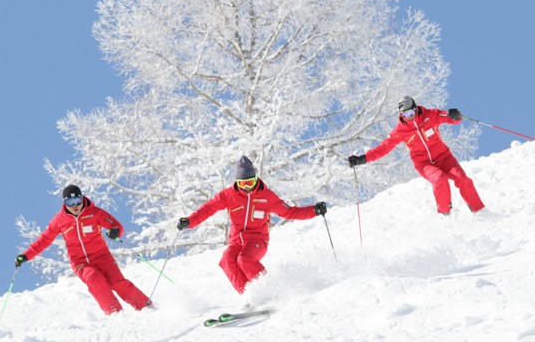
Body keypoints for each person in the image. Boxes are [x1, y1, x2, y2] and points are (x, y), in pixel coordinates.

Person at [176, 155, 328, 294]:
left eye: (251, 182)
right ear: (237, 182)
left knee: (245, 260)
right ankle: (250, 296)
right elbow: (208, 208)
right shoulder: (228, 195)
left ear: (256, 178)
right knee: (226, 260)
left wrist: (314, 210)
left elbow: (290, 212)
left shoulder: (267, 196)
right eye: (243, 183)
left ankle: (270, 291)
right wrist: (190, 221)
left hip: (257, 240)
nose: (247, 186)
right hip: (236, 241)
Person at [15, 185, 150, 315]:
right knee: (94, 279)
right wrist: (26, 255)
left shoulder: (95, 213)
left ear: (82, 199)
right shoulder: (59, 221)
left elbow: (116, 225)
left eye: (77, 200)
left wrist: (115, 232)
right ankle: (115, 313)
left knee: (118, 282)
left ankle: (146, 306)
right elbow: (44, 240)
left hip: (102, 257)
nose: (75, 205)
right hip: (80, 262)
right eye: (70, 202)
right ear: (65, 203)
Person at [348, 96, 485, 215]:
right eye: (407, 114)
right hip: (425, 164)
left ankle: (479, 211)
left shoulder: (430, 115)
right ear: (402, 115)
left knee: (463, 179)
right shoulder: (400, 131)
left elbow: (449, 118)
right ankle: (445, 214)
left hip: (444, 158)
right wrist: (363, 159)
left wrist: (456, 116)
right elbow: (384, 147)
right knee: (440, 179)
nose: (411, 116)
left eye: (413, 111)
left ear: (416, 108)